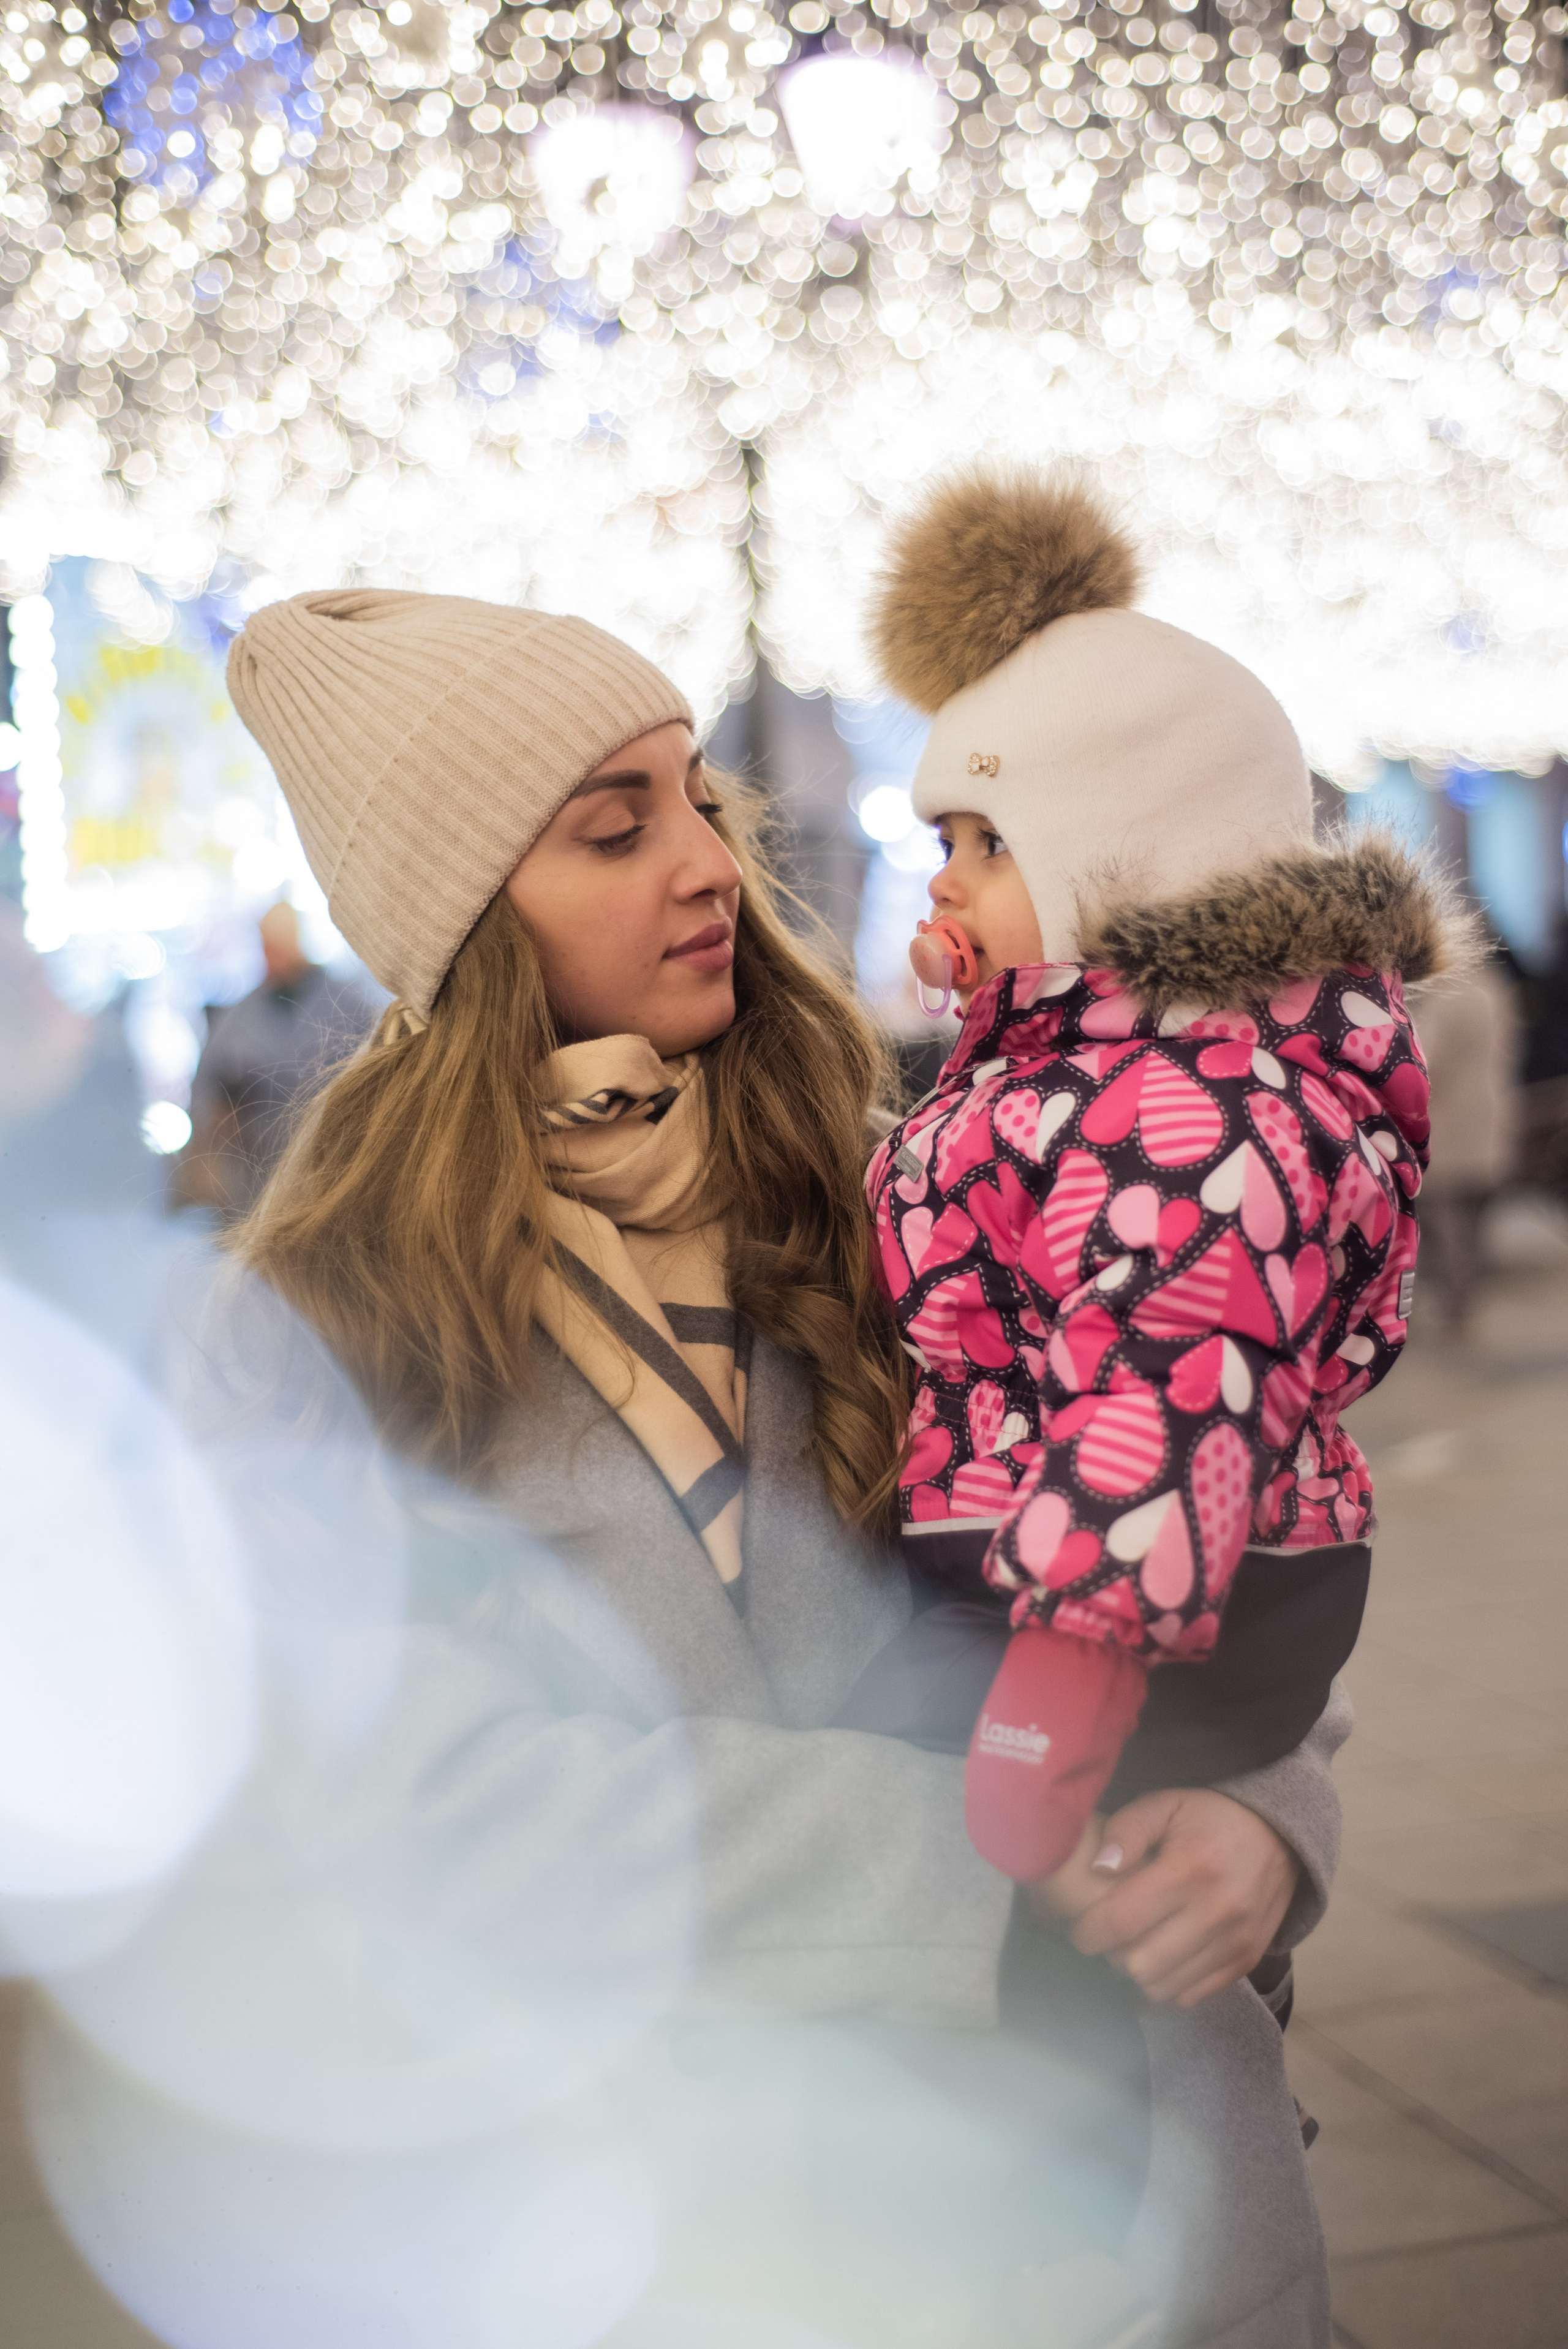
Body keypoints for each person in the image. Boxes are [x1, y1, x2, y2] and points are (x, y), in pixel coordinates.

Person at [188, 587, 1348, 2346]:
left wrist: (1264, 1815)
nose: (706, 862)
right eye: (614, 828)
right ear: (459, 914)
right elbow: (418, 1810)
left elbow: (1239, 1494)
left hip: (1114, 2181)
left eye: (698, 800)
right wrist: (993, 1853)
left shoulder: (934, 1181)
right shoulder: (313, 1324)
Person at [842, 468, 1466, 1915]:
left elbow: (1172, 1376)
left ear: (1128, 861)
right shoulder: (1071, 1072)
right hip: (1070, 1559)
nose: (946, 883)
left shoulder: (1189, 1106)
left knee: (1004, 1889)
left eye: (991, 843)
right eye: (943, 844)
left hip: (1142, 1598)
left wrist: (1059, 1683)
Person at [172, 898, 371, 1217]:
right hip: (252, 1178)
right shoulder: (242, 1013)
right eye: (264, 949)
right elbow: (207, 1079)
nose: (268, 959)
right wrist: (219, 1114)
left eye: (274, 949)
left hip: (328, 1171)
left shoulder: (348, 1007)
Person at [1416, 949, 1521, 1327]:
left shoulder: (1447, 997)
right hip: (1489, 1115)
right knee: (1473, 1218)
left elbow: (1426, 1062)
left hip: (1450, 1121)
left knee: (1444, 1217)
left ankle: (1454, 1303)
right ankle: (1465, 1299)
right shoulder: (1493, 989)